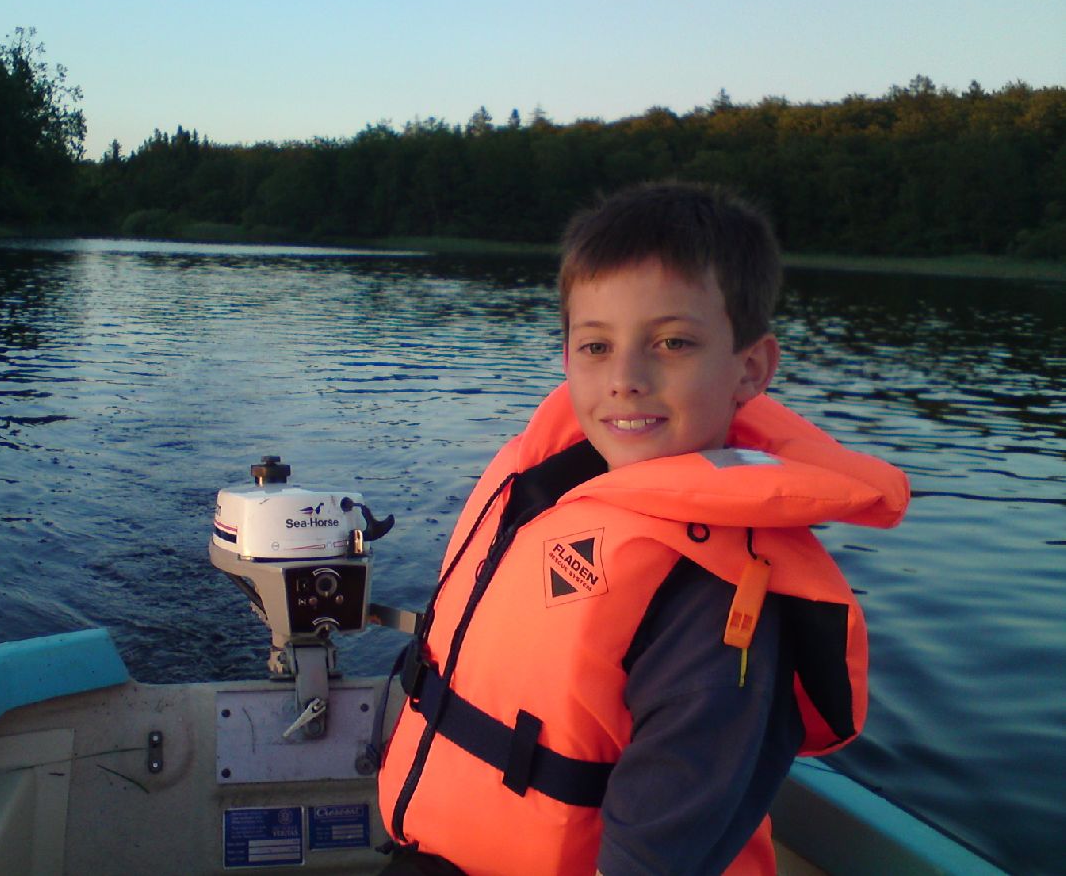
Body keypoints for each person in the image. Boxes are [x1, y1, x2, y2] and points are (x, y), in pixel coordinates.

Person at [375, 182, 910, 875]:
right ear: (567, 358)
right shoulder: (553, 484)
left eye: (672, 342)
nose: (625, 378)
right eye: (596, 346)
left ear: (750, 369)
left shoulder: (719, 596)